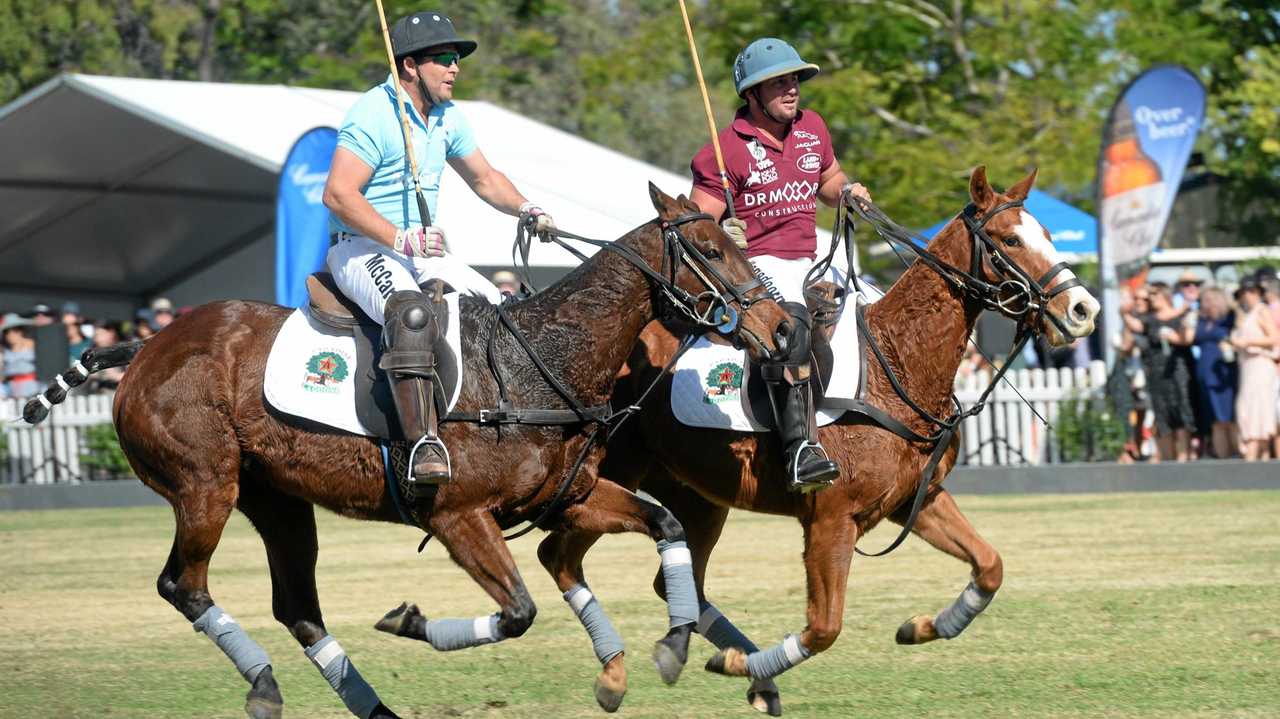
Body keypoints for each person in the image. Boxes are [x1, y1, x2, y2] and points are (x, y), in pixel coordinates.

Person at [322, 10, 555, 486]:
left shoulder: (448, 116)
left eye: (456, 59)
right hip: (363, 248)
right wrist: (399, 237)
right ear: (410, 65)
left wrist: (528, 208)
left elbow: (486, 179)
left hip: (422, 251)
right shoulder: (374, 113)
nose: (455, 68)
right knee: (412, 317)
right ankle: (422, 443)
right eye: (444, 58)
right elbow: (339, 195)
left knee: (503, 313)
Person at [688, 37, 870, 492]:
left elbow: (829, 181)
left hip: (812, 258)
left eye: (794, 80)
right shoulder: (723, 149)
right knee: (792, 332)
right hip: (760, 264)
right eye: (779, 83)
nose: (792, 89)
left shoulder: (813, 129)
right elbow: (693, 227)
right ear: (751, 94)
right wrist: (722, 236)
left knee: (879, 312)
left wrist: (848, 192)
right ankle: (800, 450)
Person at [1124, 285, 1195, 462]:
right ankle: (1168, 458)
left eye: (1153, 294)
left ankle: (1184, 455)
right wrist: (1123, 313)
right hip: (1155, 372)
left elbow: (1187, 339)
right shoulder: (1150, 319)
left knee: (1181, 409)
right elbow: (1136, 326)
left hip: (1177, 369)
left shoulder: (1179, 315)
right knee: (1161, 413)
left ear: (1163, 295)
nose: (1150, 298)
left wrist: (1176, 336)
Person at [1231, 280, 1277, 460]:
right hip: (1247, 365)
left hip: (1260, 364)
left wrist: (1248, 342)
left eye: (1252, 291)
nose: (1248, 295)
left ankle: (1253, 457)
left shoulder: (1262, 311)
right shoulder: (1244, 314)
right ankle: (1261, 457)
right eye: (1245, 291)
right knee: (1249, 408)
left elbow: (1274, 337)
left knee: (1256, 409)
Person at [1190, 287, 1237, 458]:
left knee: (1228, 418)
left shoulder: (1228, 318)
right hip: (1204, 372)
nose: (1204, 304)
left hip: (1223, 373)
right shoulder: (1201, 321)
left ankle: (1236, 456)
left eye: (1208, 300)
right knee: (1214, 421)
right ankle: (1222, 460)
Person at [2, 313, 39, 399]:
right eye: (7, 332)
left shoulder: (34, 344)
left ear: (21, 330)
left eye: (15, 330)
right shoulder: (4, 350)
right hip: (12, 390)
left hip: (33, 387)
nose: (11, 334)